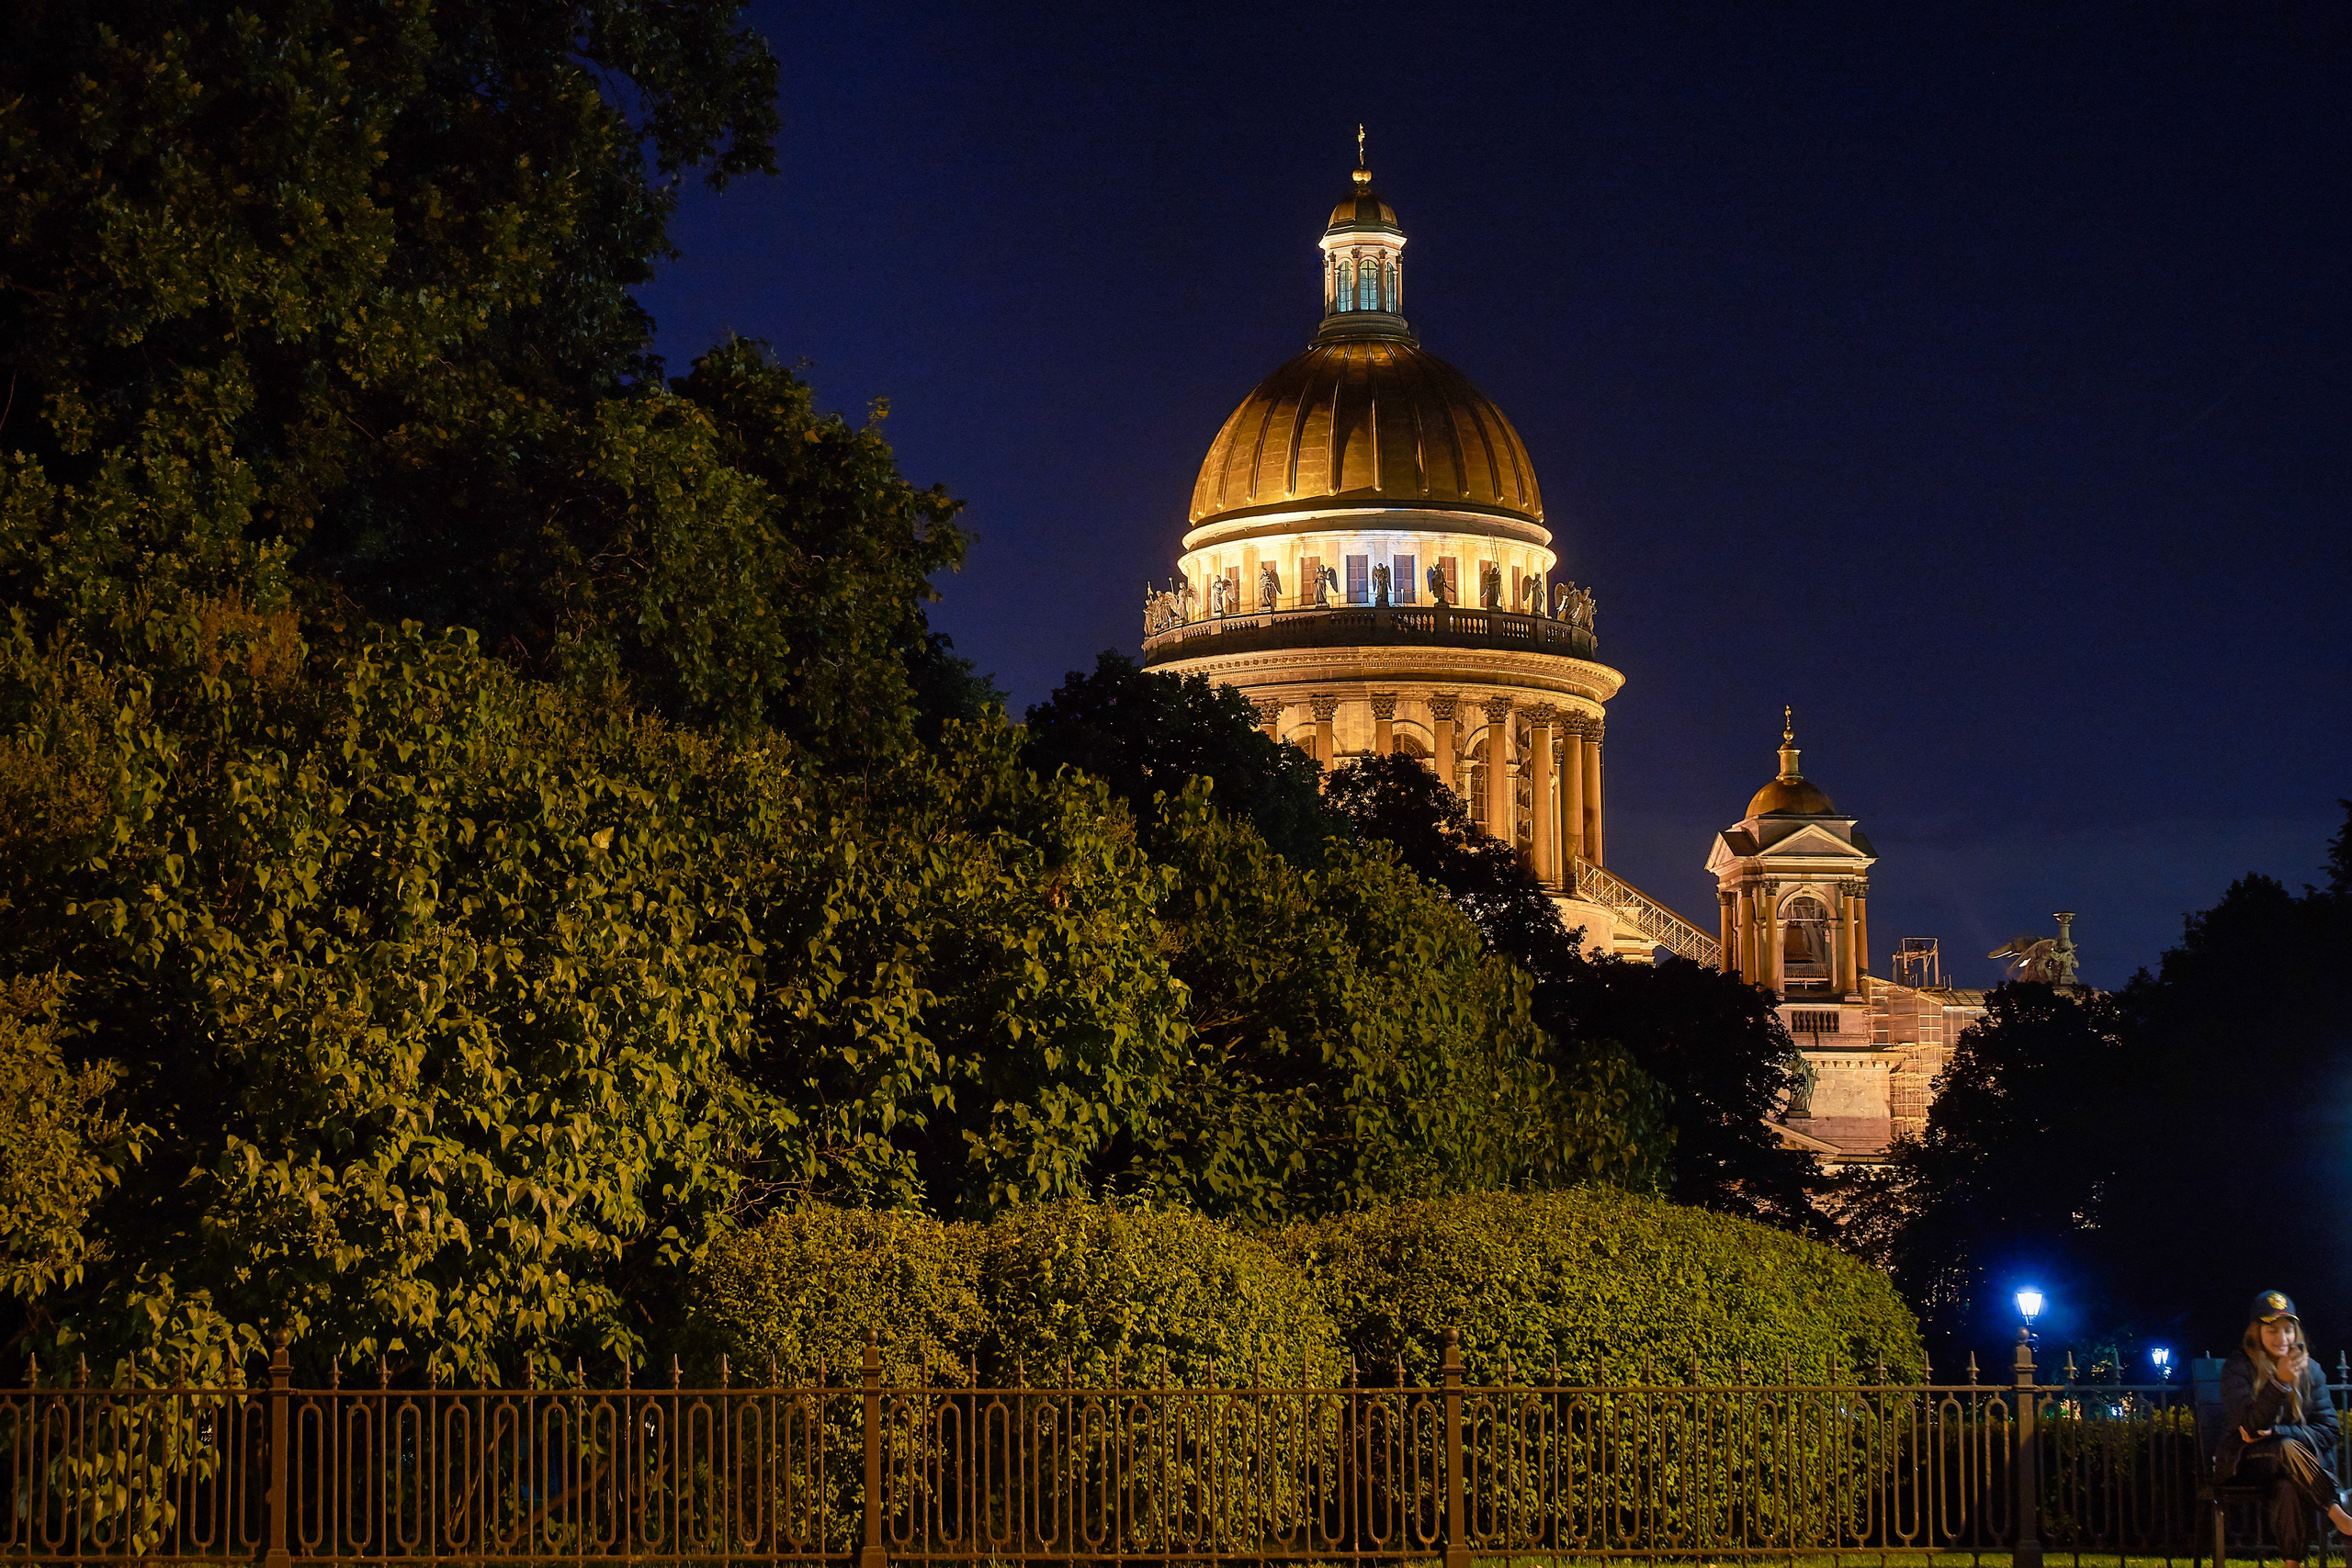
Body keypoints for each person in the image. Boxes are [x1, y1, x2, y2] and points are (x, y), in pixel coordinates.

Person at [2217, 1290, 2352, 1566]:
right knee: (2286, 1449)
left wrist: (2280, 1433)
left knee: (2289, 1481)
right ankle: (2340, 1517)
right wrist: (2280, 1382)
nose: (2282, 1339)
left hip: (2294, 1465)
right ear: (2256, 1332)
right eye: (2272, 1330)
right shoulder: (2239, 1367)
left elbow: (2329, 1429)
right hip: (2245, 1461)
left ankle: (2293, 1564)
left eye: (2288, 1330)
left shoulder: (2311, 1370)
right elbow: (2251, 1428)